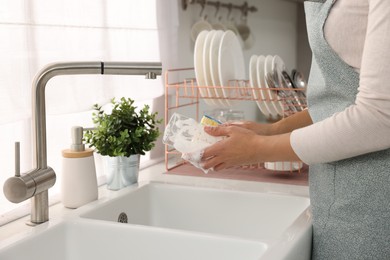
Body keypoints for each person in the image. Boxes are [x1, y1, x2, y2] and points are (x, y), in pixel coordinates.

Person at [200, 0, 390, 259]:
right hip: (333, 196)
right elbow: (335, 101)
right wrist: (268, 131)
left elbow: (380, 117)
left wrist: (257, 149)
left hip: (376, 203)